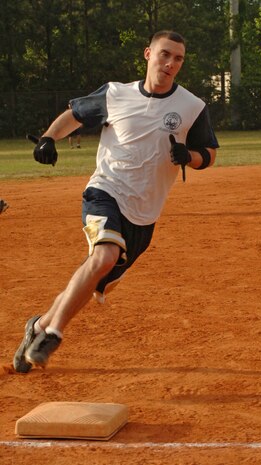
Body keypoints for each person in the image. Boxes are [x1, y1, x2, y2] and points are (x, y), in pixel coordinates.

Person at [13, 30, 219, 373]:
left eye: (178, 58)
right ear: (148, 54)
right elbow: (74, 115)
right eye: (165, 54)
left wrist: (190, 156)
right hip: (105, 192)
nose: (170, 63)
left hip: (145, 213)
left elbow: (209, 154)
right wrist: (49, 138)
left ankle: (37, 326)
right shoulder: (115, 94)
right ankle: (52, 332)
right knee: (104, 254)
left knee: (97, 273)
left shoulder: (192, 107)